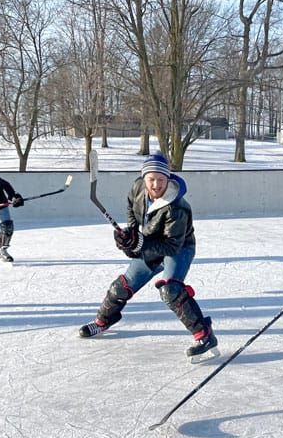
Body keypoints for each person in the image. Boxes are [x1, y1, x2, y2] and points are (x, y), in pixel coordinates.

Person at [78, 153, 219, 363]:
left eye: (161, 180)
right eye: (151, 179)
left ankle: (205, 336)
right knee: (121, 287)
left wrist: (140, 243)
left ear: (168, 179)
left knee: (170, 290)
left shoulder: (177, 207)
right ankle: (102, 321)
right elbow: (131, 208)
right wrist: (131, 235)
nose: (156, 184)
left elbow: (171, 245)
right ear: (144, 178)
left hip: (179, 248)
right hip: (152, 242)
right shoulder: (138, 188)